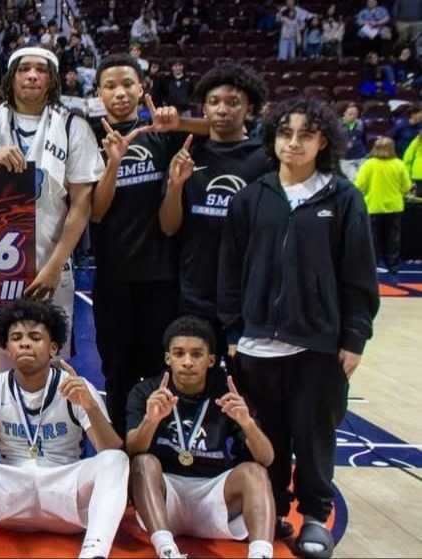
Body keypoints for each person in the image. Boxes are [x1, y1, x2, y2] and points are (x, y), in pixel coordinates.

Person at [218, 97, 380, 559]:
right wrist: (232, 329)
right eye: (285, 133)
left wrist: (354, 337)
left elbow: (358, 275)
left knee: (313, 434)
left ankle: (313, 515)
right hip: (255, 342)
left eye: (304, 135)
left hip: (318, 344)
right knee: (264, 435)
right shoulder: (253, 196)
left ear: (322, 140)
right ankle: (270, 511)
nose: (293, 143)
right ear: (272, 138)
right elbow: (231, 269)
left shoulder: (343, 198)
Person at [0, 46, 104, 407]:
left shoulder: (74, 126)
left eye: (41, 70)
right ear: (11, 77)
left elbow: (81, 203)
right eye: (24, 68)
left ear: (52, 79)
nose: (32, 75)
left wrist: (57, 264)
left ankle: (49, 433)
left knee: (49, 353)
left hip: (50, 262)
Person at [0, 299, 127, 559]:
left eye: (35, 337)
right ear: (8, 349)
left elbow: (111, 451)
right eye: (16, 337)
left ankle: (94, 553)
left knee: (117, 460)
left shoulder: (75, 388)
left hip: (65, 496)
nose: (25, 343)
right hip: (10, 499)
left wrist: (91, 407)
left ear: (53, 348)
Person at [88, 54, 202, 435]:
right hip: (114, 278)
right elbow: (97, 213)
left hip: (161, 279)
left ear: (142, 88)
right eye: (110, 86)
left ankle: (159, 446)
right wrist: (113, 163)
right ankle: (122, 448)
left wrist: (175, 183)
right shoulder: (91, 134)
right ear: (98, 92)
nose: (119, 93)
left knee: (159, 370)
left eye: (127, 84)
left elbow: (170, 225)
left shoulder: (164, 132)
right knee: (117, 370)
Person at [126, 316, 277, 559]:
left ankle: (261, 554)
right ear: (168, 358)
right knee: (142, 463)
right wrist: (151, 420)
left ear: (211, 360)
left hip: (215, 495)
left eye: (196, 354)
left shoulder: (228, 394)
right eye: (179, 353)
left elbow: (267, 458)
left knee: (255, 472)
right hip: (165, 497)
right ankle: (166, 550)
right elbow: (132, 449)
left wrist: (247, 423)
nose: (187, 362)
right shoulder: (146, 391)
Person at [158, 62, 269, 360]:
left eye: (233, 103)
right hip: (195, 293)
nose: (222, 110)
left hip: (248, 296)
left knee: (244, 392)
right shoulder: (188, 154)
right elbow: (169, 227)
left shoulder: (265, 159)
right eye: (214, 102)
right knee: (195, 385)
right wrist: (176, 186)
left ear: (250, 110)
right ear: (204, 108)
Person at [354, 136, 412, 273]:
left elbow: (359, 185)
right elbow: (406, 187)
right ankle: (393, 266)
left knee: (372, 239)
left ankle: (372, 265)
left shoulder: (368, 165)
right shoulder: (399, 164)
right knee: (393, 239)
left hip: (373, 206)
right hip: (394, 207)